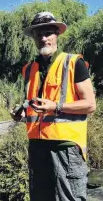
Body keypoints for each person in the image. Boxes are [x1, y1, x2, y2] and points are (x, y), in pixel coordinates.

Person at [10, 11, 96, 201]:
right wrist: (22, 112)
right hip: (37, 147)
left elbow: (90, 105)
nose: (43, 38)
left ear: (57, 34)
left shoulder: (73, 63)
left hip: (65, 147)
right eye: (38, 34)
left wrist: (56, 106)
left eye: (48, 32)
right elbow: (34, 104)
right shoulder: (28, 69)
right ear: (33, 37)